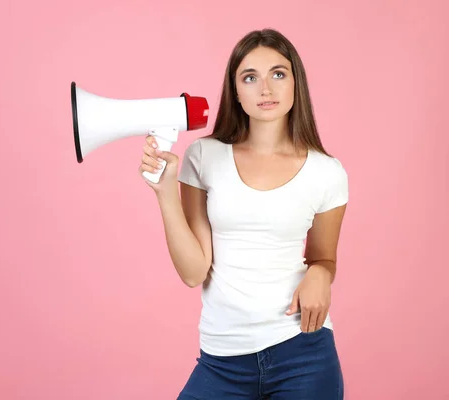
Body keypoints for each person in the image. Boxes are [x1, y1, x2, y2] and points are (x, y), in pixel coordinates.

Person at [138, 28, 348, 399]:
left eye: (278, 74)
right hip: (222, 360)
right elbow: (193, 272)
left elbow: (324, 257)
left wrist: (320, 273)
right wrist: (164, 191)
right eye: (250, 77)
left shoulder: (326, 172)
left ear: (296, 83)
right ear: (235, 91)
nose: (265, 89)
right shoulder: (204, 156)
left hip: (302, 353)